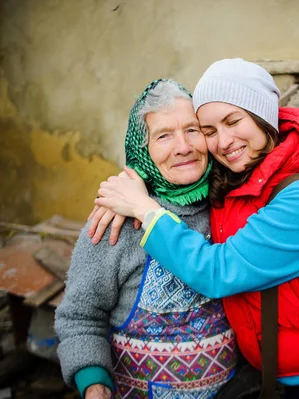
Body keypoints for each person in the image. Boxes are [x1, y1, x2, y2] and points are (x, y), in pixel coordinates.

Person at [95, 58, 299, 399]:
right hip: (276, 376)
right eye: (209, 131)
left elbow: (219, 271)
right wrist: (135, 179)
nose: (224, 141)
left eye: (234, 121)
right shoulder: (237, 176)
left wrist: (145, 210)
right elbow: (181, 169)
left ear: (262, 116)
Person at [54, 79, 238, 399]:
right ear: (143, 149)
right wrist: (94, 384)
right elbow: (80, 316)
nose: (183, 146)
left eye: (192, 130)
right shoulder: (117, 221)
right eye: (164, 135)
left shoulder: (231, 202)